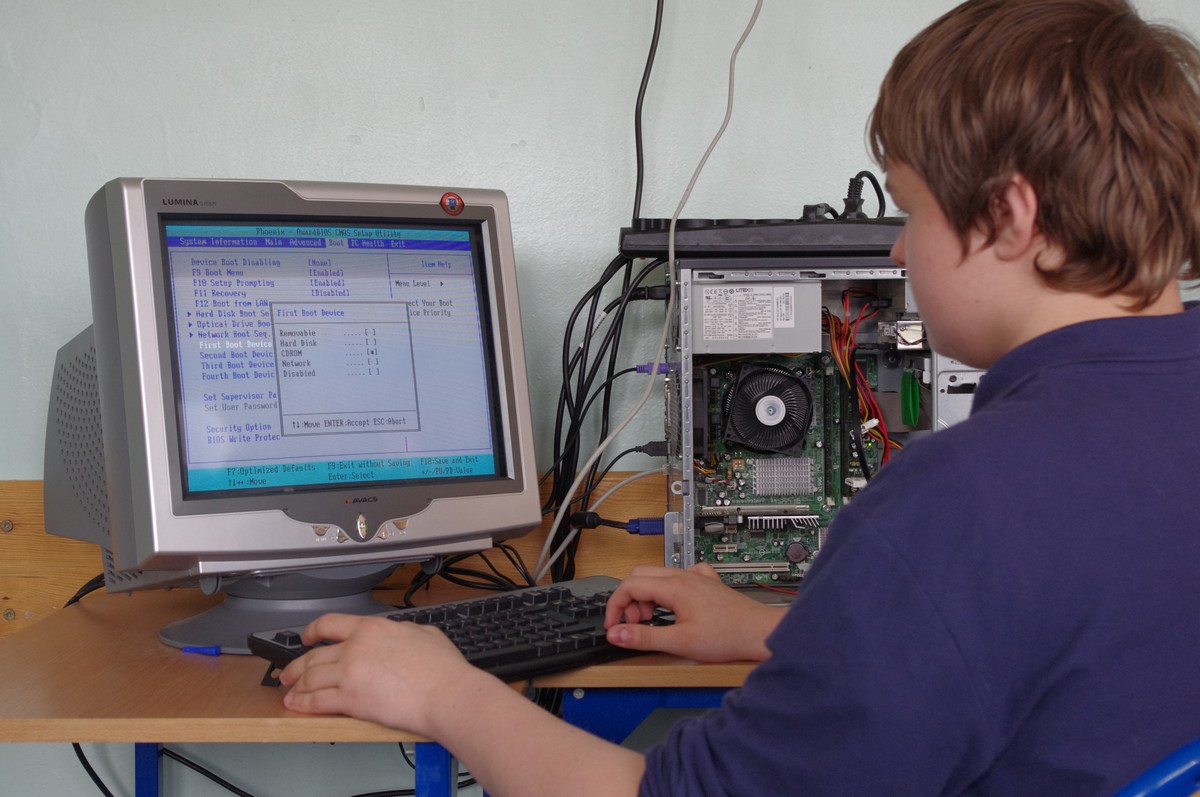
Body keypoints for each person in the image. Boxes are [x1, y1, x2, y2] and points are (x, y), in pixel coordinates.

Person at [279, 0, 1200, 793]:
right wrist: (783, 630)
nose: (895, 251)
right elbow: (1079, 643)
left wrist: (442, 690)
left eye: (911, 210)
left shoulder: (963, 500)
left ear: (1009, 216)